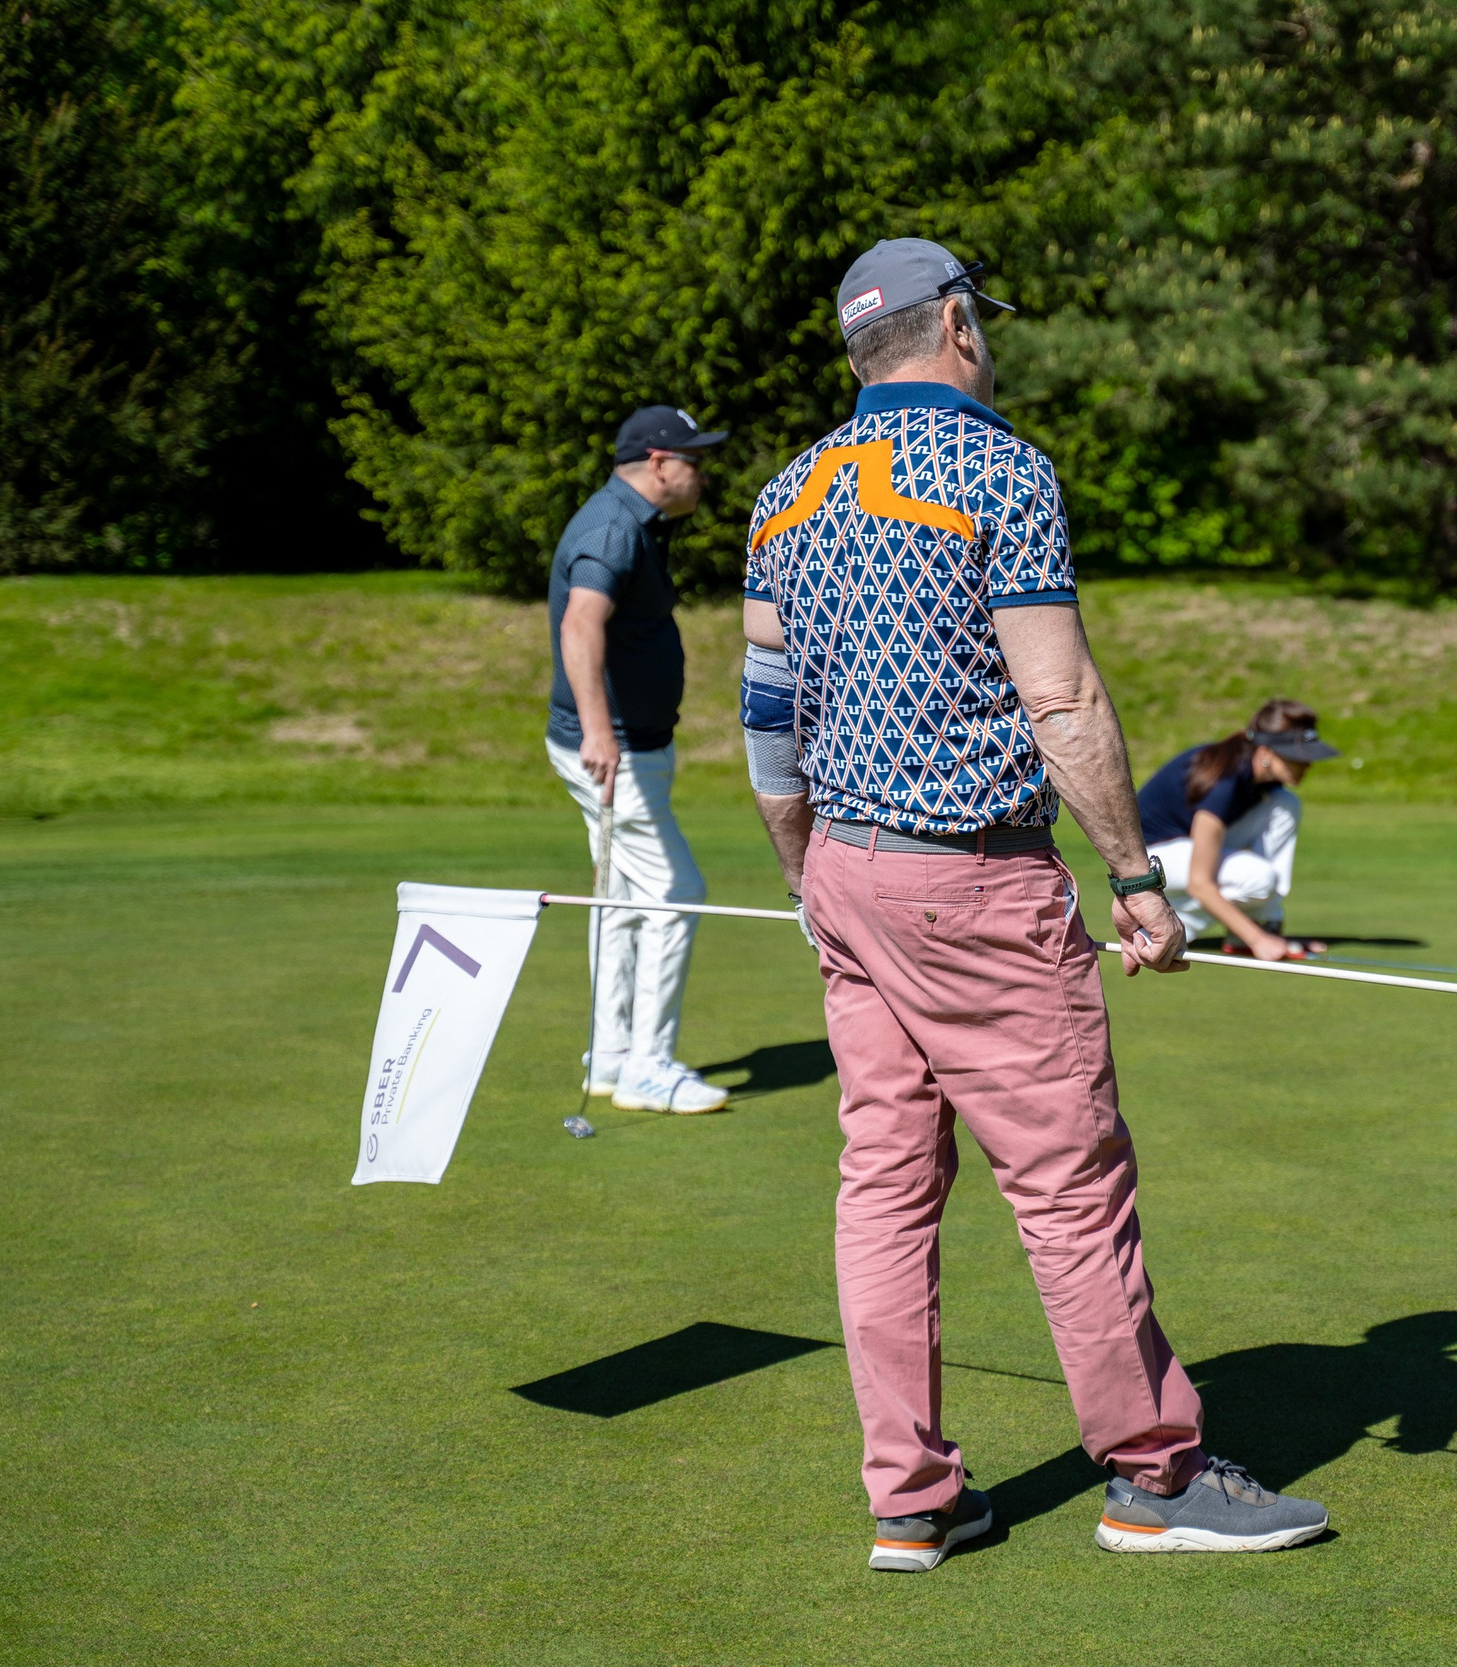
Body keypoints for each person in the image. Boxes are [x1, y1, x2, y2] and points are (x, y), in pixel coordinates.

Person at [740, 237, 1328, 1572]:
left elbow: (769, 725)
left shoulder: (784, 495)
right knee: (1068, 1183)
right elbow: (1057, 695)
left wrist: (803, 874)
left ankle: (913, 1497)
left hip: (844, 870)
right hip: (976, 879)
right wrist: (1137, 877)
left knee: (884, 1186)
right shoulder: (998, 468)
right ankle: (1155, 1476)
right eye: (982, 322)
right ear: (956, 325)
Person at [544, 404, 732, 1116]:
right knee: (676, 888)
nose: (702, 474)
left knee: (621, 897)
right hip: (613, 753)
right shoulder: (614, 527)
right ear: (657, 463)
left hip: (628, 747)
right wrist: (600, 732)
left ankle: (612, 1053)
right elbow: (580, 623)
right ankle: (647, 1068)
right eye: (694, 460)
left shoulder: (635, 523)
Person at [1136, 700, 1339, 960]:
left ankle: (1260, 923)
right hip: (1148, 859)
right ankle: (1158, 930)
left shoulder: (1260, 777)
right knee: (1258, 879)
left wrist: (1270, 932)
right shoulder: (1225, 782)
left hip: (1187, 844)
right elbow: (1200, 883)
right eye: (1297, 756)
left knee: (1286, 804)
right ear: (1265, 752)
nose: (1308, 763)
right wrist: (1258, 940)